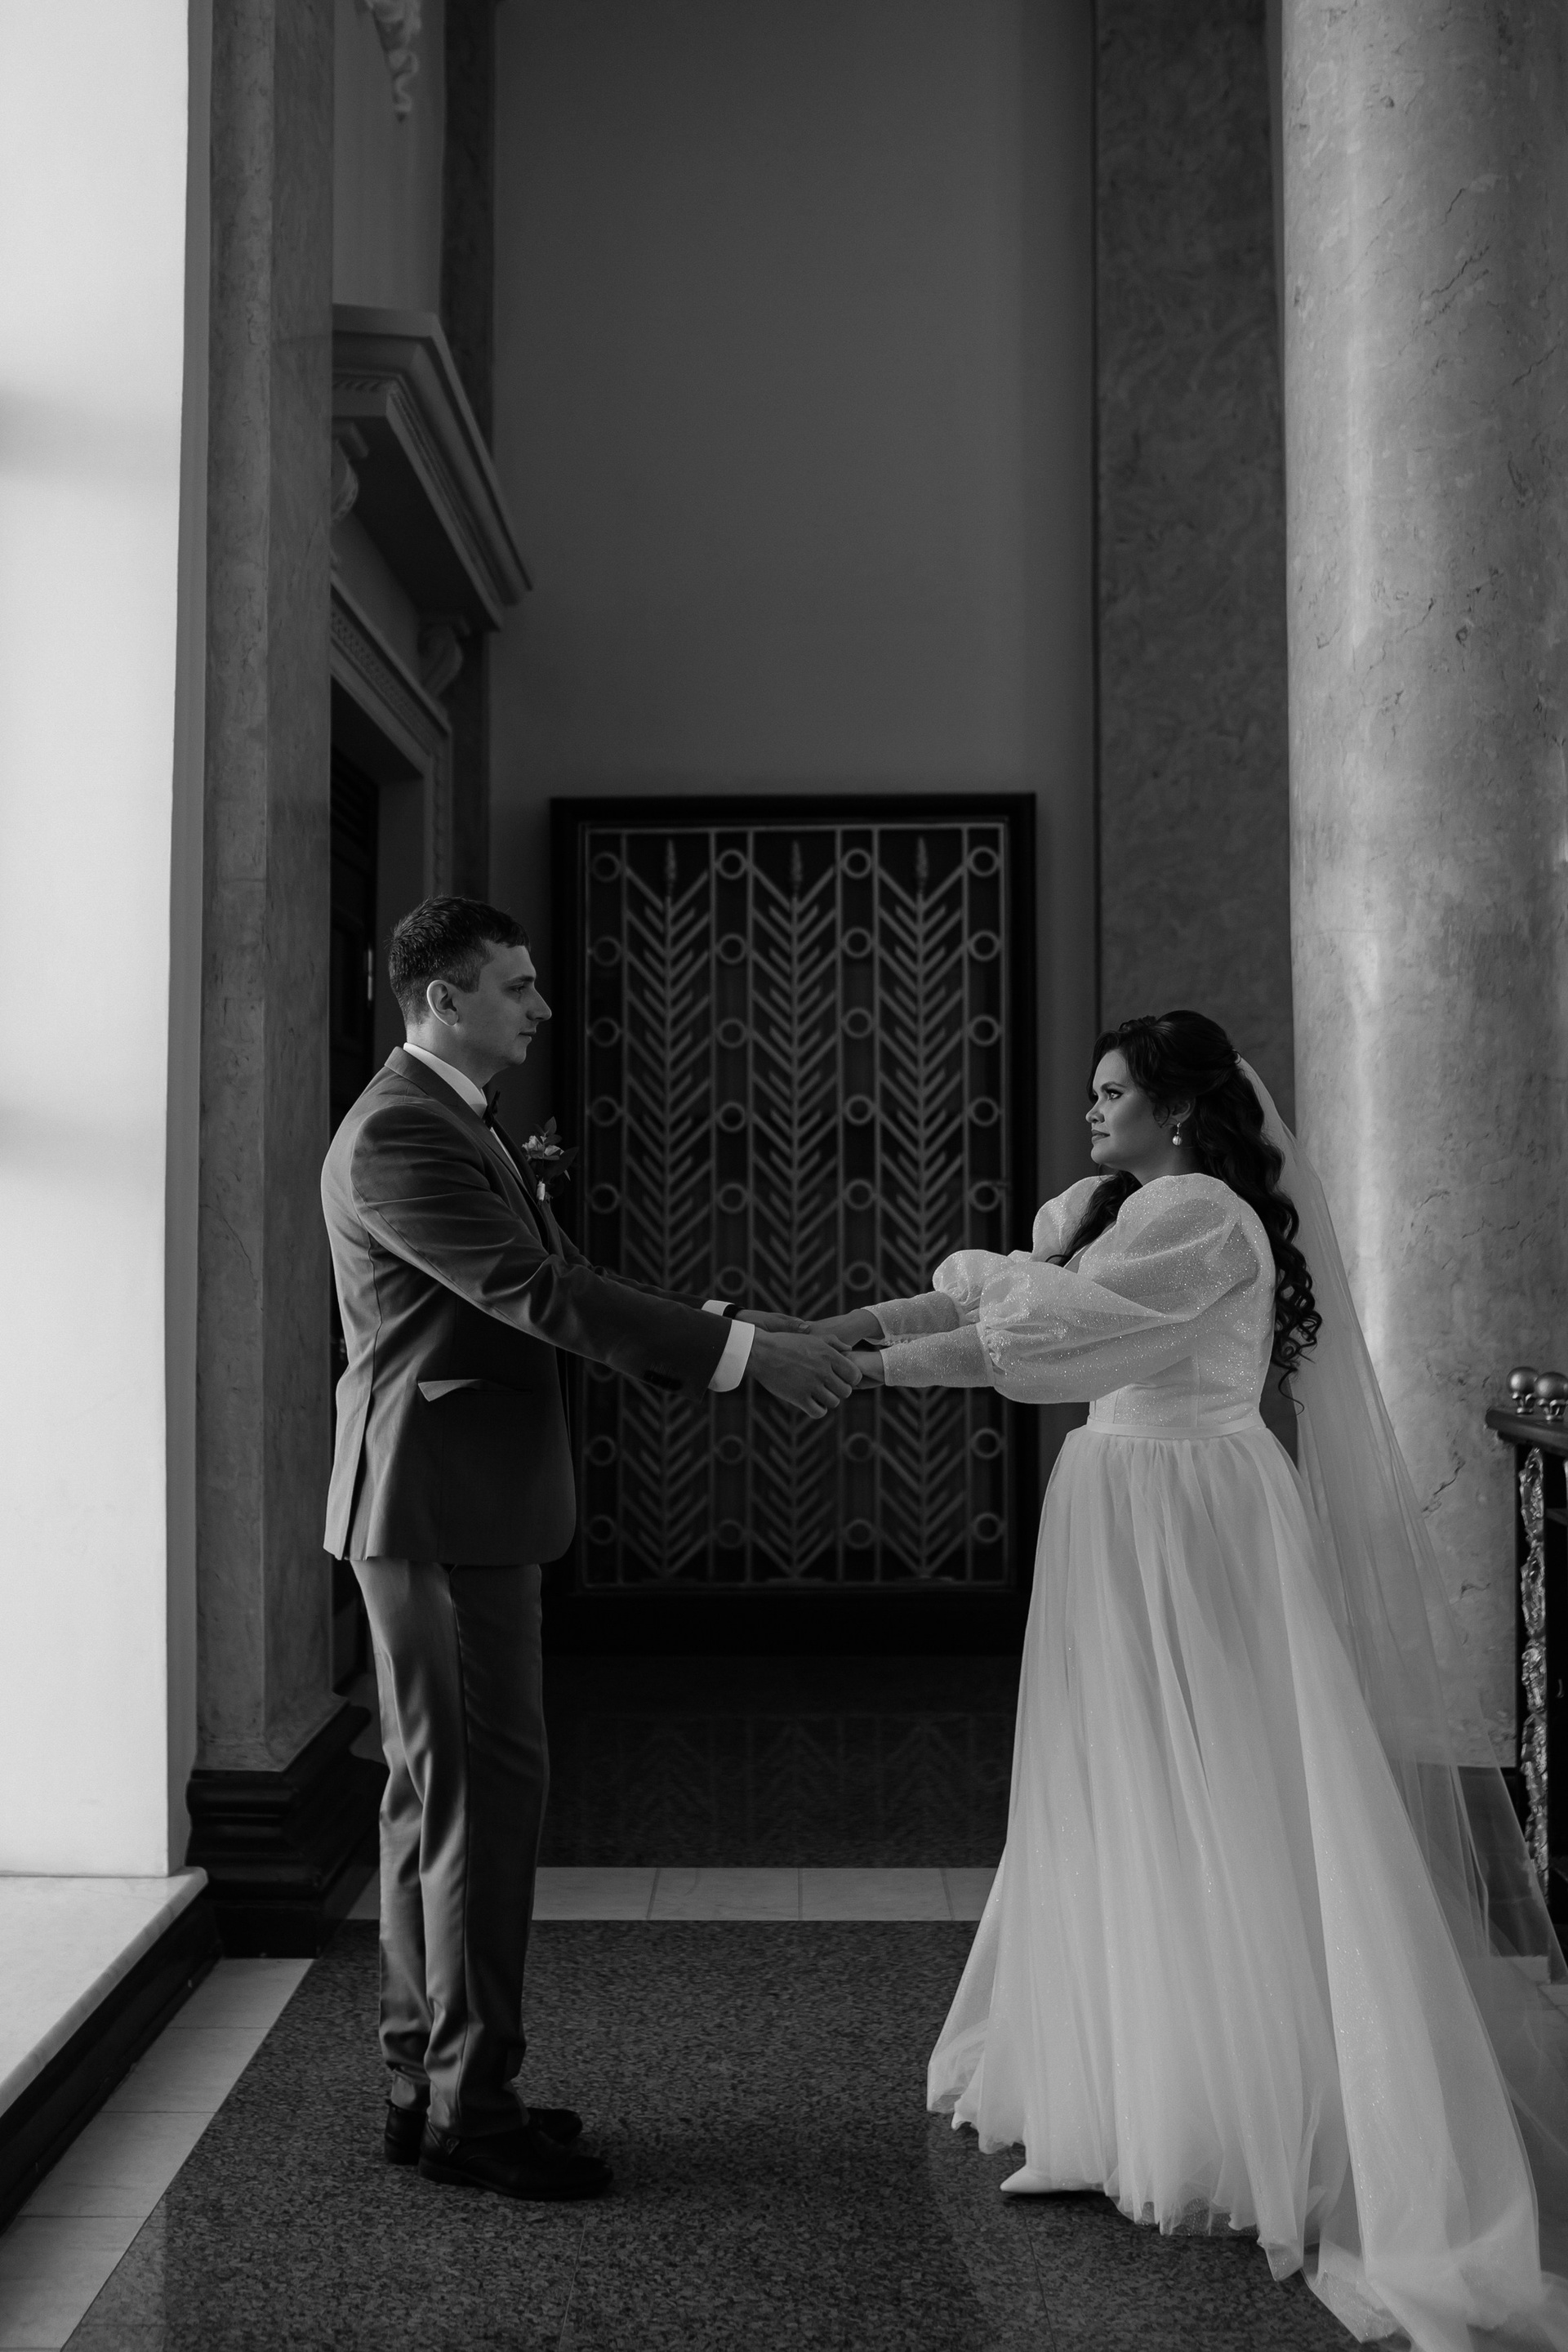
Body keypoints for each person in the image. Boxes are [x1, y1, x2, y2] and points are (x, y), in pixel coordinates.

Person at [811, 1009, 1568, 2350]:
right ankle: (1120, 2099)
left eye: (1112, 1093)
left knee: (1214, 1782)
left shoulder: (1206, 1219)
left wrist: (874, 1364)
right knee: (1113, 1784)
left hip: (1196, 1506)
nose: (1091, 1111)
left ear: (1176, 1108)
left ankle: (1239, 2108)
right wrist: (842, 1340)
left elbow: (1046, 1343)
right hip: (1114, 1498)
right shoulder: (1100, 1208)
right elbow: (994, 1311)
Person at [321, 895, 858, 2205]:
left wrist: (726, 1325)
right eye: (515, 987)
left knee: (432, 1801)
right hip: (442, 1508)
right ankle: (471, 2112)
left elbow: (553, 1272)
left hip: (455, 1504)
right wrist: (740, 1359)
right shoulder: (401, 1130)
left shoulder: (451, 1118)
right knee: (477, 1804)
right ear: (443, 1000)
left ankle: (428, 2084)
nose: (540, 1007)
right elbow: (539, 1295)